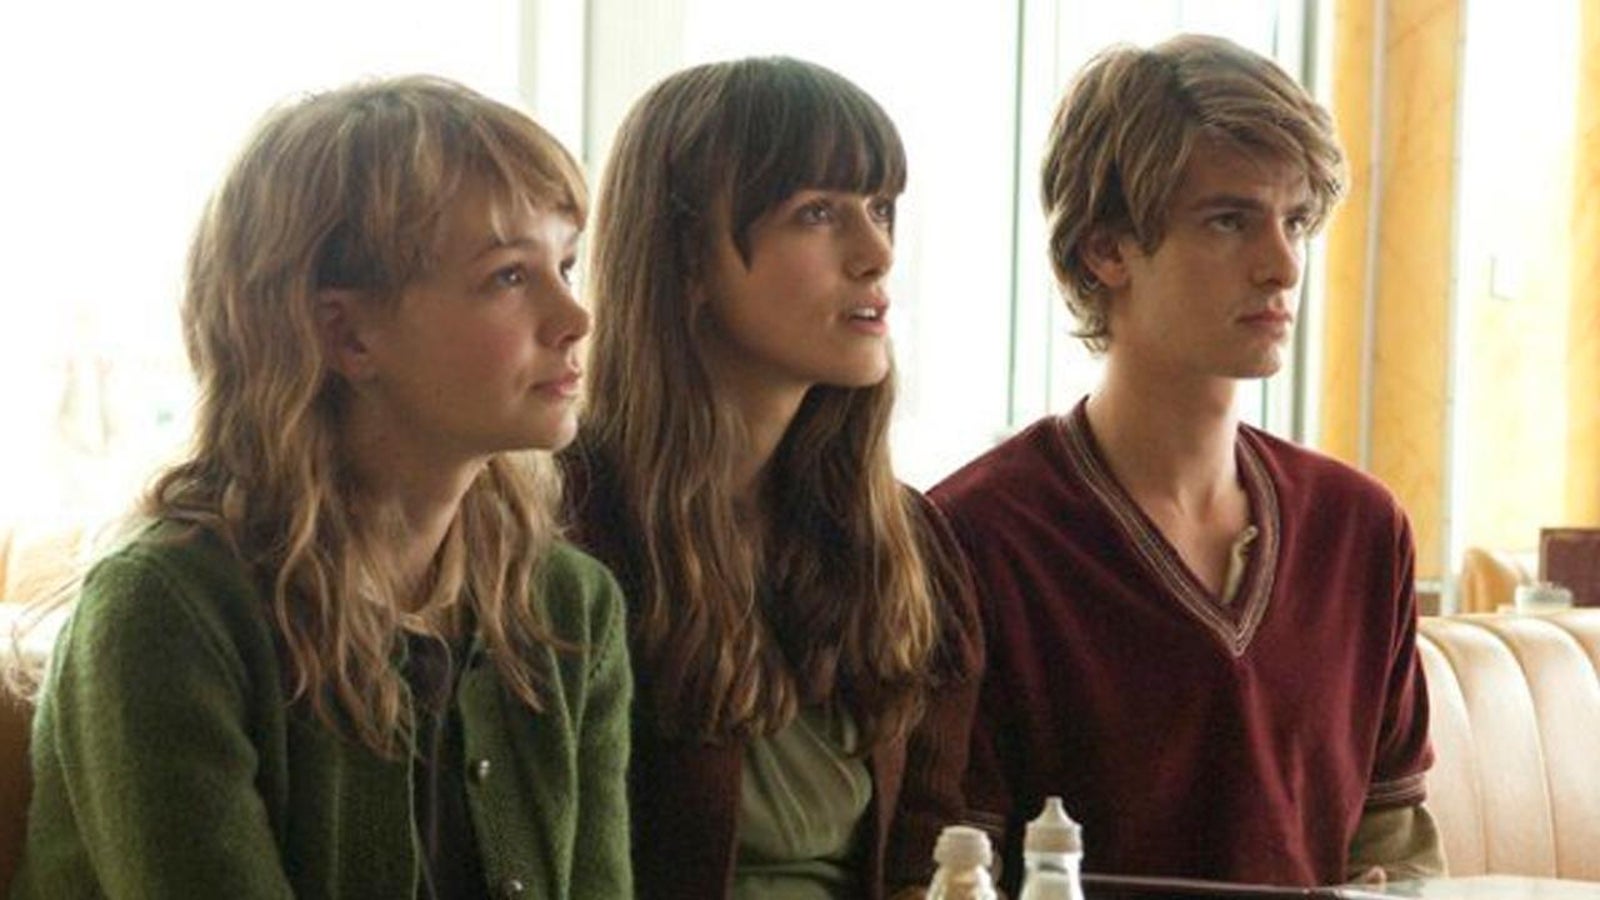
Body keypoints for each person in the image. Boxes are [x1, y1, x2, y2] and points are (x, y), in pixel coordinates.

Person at [9, 76, 631, 898]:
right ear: (345, 334)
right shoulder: (163, 612)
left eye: (566, 264)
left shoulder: (569, 606)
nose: (576, 318)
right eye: (510, 277)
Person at [930, 34, 1445, 891]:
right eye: (1229, 220)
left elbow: (1399, 852)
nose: (1282, 265)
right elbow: (957, 871)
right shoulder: (975, 536)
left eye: (1296, 221)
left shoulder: (1360, 529)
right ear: (1106, 250)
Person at [560, 56, 983, 899]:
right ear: (688, 258)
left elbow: (930, 855)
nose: (876, 253)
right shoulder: (567, 529)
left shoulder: (904, 538)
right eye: (816, 213)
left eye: (880, 208)